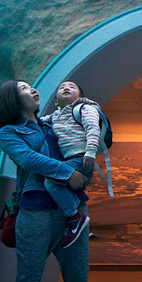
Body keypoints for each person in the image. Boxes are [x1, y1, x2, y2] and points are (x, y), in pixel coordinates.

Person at [0, 79, 89, 282]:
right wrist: (67, 173)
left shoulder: (54, 122)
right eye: (24, 89)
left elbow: (88, 133)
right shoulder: (9, 132)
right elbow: (28, 159)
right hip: (35, 213)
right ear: (11, 100)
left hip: (73, 211)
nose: (33, 90)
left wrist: (91, 112)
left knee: (78, 281)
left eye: (31, 86)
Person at [40, 80, 100, 248]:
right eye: (62, 88)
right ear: (56, 101)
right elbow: (38, 122)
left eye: (72, 87)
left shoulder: (84, 108)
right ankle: (81, 223)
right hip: (71, 160)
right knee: (65, 187)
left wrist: (90, 151)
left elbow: (93, 128)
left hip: (81, 157)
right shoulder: (54, 116)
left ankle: (74, 217)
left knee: (51, 183)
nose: (66, 88)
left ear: (80, 96)